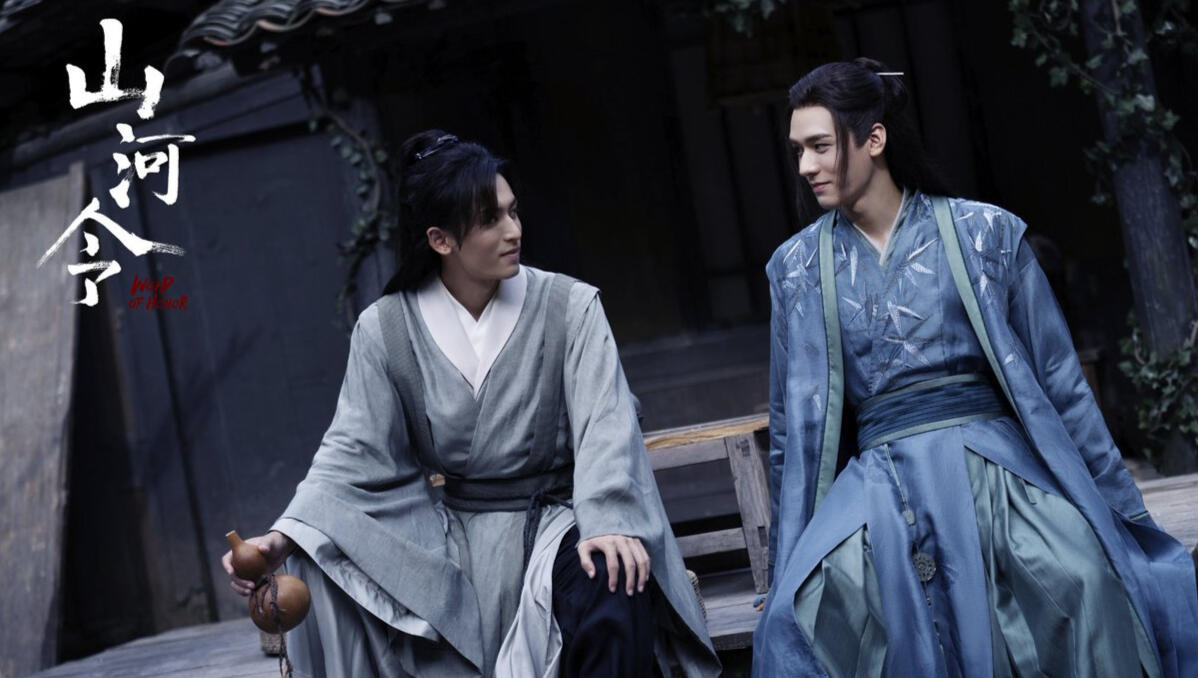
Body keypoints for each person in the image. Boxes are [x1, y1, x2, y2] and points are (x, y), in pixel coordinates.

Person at [753, 58, 1198, 677]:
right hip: (877, 481)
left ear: (873, 139)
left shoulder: (987, 234)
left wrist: (1123, 511)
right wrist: (783, 572)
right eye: (798, 149)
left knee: (1083, 575)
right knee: (806, 616)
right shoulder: (796, 269)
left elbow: (1062, 385)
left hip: (1000, 473)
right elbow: (788, 432)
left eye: (820, 146)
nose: (804, 166)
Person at [222, 130, 720, 678]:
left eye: (513, 211)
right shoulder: (386, 330)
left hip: (560, 522)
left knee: (611, 577)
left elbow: (606, 424)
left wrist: (606, 520)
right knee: (345, 577)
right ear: (441, 241)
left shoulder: (570, 307)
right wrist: (282, 538)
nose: (513, 231)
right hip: (456, 543)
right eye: (490, 220)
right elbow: (351, 450)